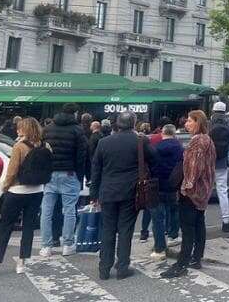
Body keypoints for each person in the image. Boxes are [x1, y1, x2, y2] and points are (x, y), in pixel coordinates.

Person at [91, 112, 155, 280]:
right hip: (130, 191)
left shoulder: (104, 142)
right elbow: (155, 160)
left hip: (108, 191)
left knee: (108, 229)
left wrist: (94, 194)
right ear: (134, 123)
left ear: (117, 124)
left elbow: (96, 169)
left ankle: (104, 268)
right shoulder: (140, 141)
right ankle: (122, 267)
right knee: (125, 229)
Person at [0, 118, 49, 277]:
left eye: (19, 128)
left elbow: (12, 171)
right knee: (28, 228)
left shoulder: (19, 146)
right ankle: (22, 262)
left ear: (24, 130)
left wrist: (6, 186)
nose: (17, 131)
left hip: (18, 191)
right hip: (37, 190)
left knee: (5, 227)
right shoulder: (46, 146)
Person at [160, 111, 216, 278]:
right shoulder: (208, 140)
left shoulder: (197, 141)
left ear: (198, 122)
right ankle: (196, 257)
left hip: (193, 191)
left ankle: (181, 264)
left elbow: (194, 167)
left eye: (190, 121)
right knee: (198, 224)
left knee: (188, 227)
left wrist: (187, 187)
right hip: (203, 190)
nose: (186, 124)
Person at [40, 103, 88, 257]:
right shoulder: (77, 130)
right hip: (69, 173)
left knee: (46, 211)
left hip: (50, 173)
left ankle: (46, 246)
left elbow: (42, 151)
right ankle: (68, 244)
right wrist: (80, 176)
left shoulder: (48, 129)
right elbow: (82, 156)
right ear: (75, 113)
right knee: (69, 210)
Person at [148, 124, 184, 260]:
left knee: (158, 218)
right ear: (174, 134)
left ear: (162, 133)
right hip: (173, 186)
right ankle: (173, 235)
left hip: (157, 186)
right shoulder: (180, 148)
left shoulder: (155, 148)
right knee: (174, 210)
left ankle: (159, 248)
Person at [209, 102, 229, 234]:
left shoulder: (209, 124)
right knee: (223, 192)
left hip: (208, 162)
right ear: (225, 112)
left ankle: (200, 220)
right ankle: (226, 222)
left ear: (213, 111)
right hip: (222, 162)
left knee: (205, 191)